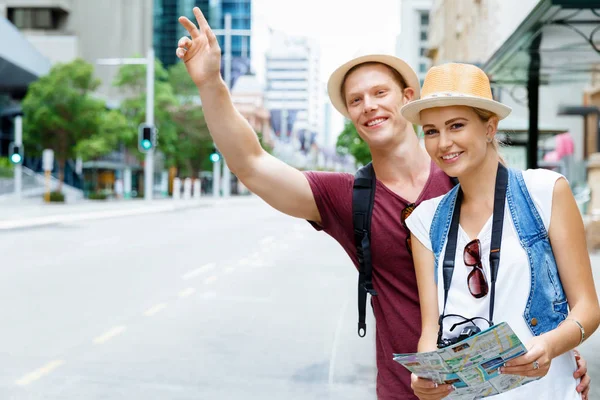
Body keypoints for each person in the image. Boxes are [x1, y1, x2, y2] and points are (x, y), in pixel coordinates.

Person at [174, 8, 591, 399]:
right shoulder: (352, 198)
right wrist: (211, 83)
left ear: (408, 97)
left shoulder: (467, 168)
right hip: (411, 388)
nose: (369, 106)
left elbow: (541, 267)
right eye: (356, 100)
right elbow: (251, 164)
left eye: (379, 92)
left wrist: (559, 347)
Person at [403, 63, 600, 400]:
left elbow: (587, 308)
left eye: (457, 125)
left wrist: (550, 346)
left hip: (546, 392)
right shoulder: (424, 219)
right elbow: (430, 331)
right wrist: (425, 378)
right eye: (431, 131)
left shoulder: (545, 191)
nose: (443, 142)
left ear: (490, 127)